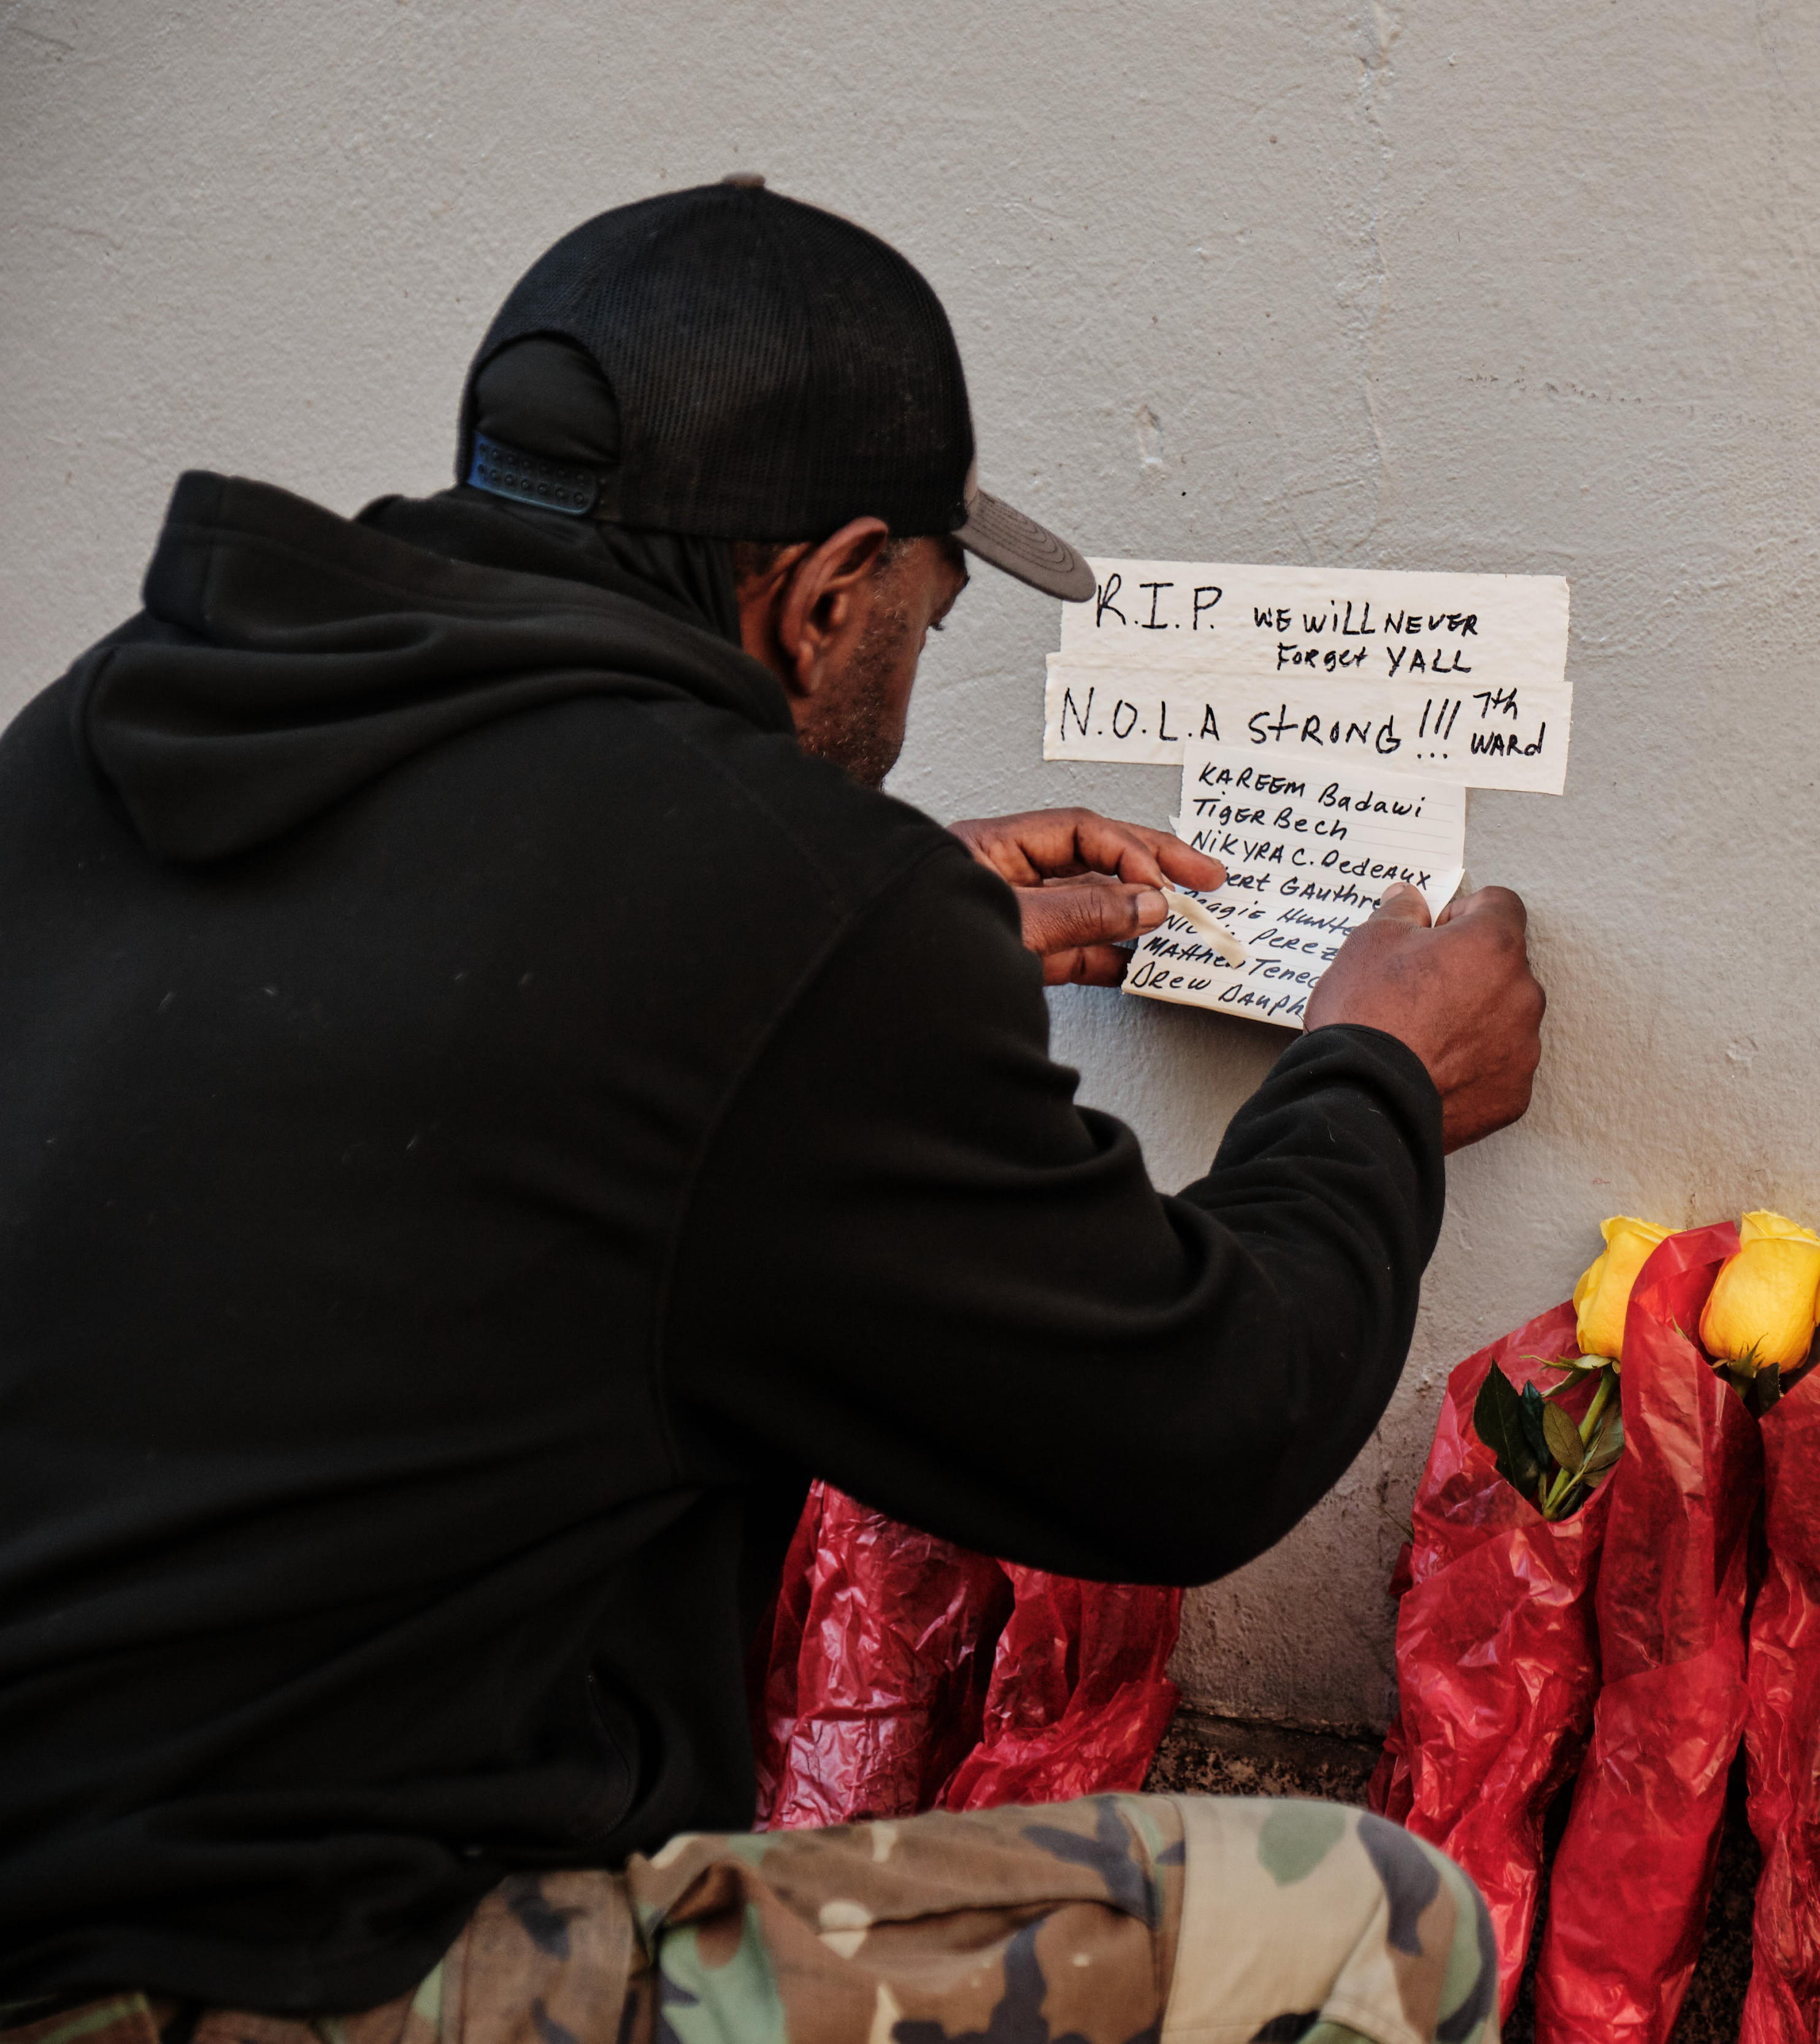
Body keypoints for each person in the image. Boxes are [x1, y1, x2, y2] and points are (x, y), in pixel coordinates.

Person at [0, 178, 1545, 2044]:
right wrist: (1375, 1077)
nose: (900, 684)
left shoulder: (119, 730)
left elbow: (459, 1015)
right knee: (1361, 1932)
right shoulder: (763, 909)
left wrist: (865, 935)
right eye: (922, 619)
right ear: (821, 599)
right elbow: (1198, 1423)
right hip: (249, 1981)